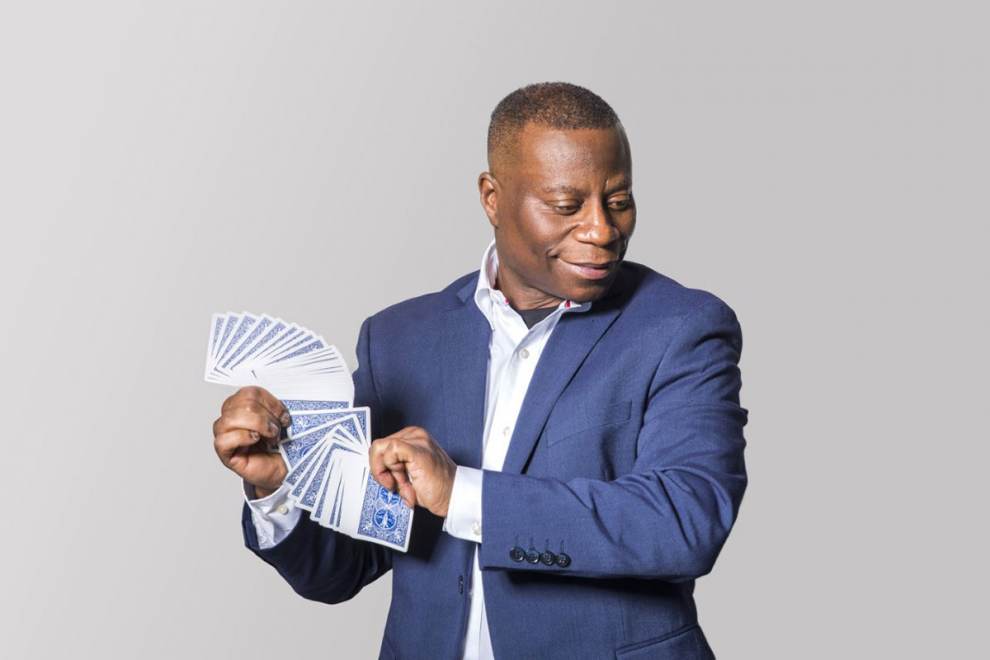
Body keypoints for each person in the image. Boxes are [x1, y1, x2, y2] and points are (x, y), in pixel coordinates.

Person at [211, 82, 748, 659]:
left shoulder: (681, 327)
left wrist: (462, 493)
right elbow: (340, 571)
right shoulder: (399, 339)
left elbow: (684, 521)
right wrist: (279, 486)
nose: (601, 229)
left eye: (618, 201)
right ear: (492, 197)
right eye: (567, 206)